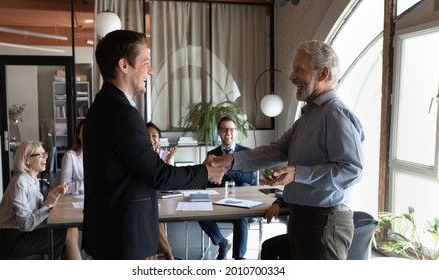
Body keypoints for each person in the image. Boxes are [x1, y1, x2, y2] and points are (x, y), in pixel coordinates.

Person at [209, 40, 364, 260]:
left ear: (323, 73)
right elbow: (275, 151)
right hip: (303, 219)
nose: (291, 76)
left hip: (324, 223)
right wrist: (229, 160)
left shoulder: (336, 113)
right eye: (293, 69)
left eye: (299, 69)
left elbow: (352, 170)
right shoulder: (309, 115)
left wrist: (297, 173)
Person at [82, 30, 226, 260]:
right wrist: (205, 172)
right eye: (146, 62)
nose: (150, 70)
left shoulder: (103, 106)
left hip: (112, 231)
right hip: (123, 237)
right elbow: (158, 176)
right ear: (124, 65)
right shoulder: (121, 113)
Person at [0, 141, 82, 260]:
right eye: (39, 155)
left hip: (22, 233)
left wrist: (53, 197)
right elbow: (26, 224)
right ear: (26, 160)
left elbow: (40, 208)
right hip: (10, 240)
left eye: (44, 154)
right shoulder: (20, 182)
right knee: (69, 234)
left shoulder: (33, 180)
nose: (45, 158)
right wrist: (48, 205)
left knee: (71, 229)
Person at [199, 116, 257, 260]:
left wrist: (227, 170)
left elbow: (251, 178)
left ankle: (239, 259)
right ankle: (222, 242)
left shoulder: (246, 153)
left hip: (241, 201)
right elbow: (207, 180)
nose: (228, 132)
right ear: (219, 132)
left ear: (235, 131)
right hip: (217, 200)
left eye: (231, 129)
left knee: (241, 217)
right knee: (199, 213)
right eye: (224, 129)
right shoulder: (212, 155)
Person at [146, 121, 177, 260]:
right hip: (147, 200)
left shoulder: (165, 154)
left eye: (154, 136)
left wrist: (168, 163)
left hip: (163, 200)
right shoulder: (138, 157)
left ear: (159, 139)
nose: (151, 139)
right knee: (152, 219)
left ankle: (162, 256)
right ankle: (168, 255)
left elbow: (168, 185)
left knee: (152, 219)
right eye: (147, 136)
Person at [60, 120, 85, 195]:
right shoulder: (70, 156)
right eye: (84, 131)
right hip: (77, 201)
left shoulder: (101, 156)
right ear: (78, 135)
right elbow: (64, 188)